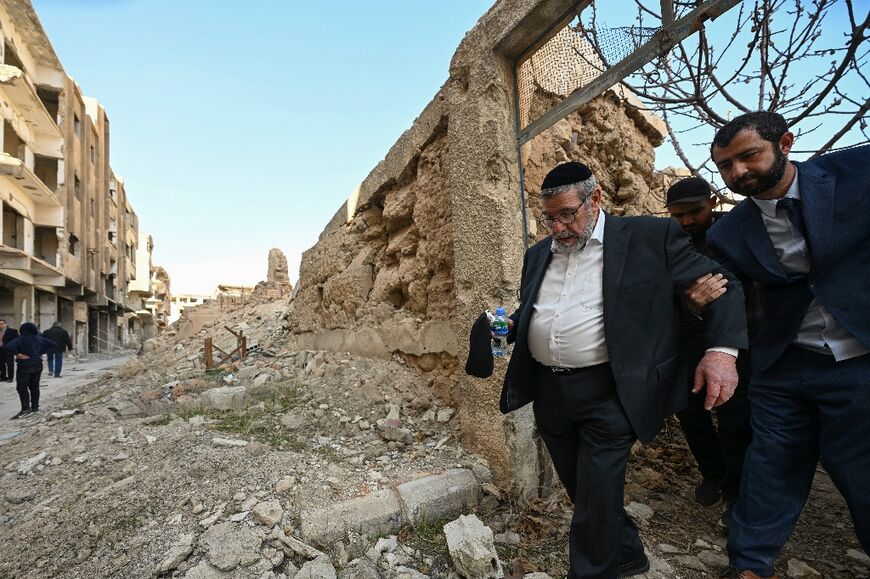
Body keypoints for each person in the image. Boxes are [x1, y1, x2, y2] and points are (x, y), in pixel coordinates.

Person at [498, 161, 747, 578]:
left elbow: (724, 285)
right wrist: (500, 327)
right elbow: (537, 312)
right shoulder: (538, 254)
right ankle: (628, 552)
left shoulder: (650, 237)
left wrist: (721, 352)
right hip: (550, 393)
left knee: (593, 507)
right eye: (549, 218)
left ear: (594, 200)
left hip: (611, 391)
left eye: (566, 214)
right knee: (586, 490)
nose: (557, 227)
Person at [705, 111, 869, 578]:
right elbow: (726, 289)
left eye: (748, 156)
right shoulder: (726, 232)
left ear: (786, 143)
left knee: (860, 471)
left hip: (860, 359)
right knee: (769, 466)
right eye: (725, 166)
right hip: (785, 364)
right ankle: (749, 565)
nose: (737, 173)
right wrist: (717, 333)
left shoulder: (856, 172)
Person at [666, 177, 753, 521]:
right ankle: (714, 474)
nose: (687, 221)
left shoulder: (733, 236)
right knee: (690, 411)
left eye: (695, 212)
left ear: (713, 202)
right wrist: (689, 306)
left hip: (734, 342)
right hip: (686, 339)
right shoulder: (668, 242)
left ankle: (737, 491)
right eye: (678, 215)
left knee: (734, 416)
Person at [5, 322, 56, 420]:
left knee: (22, 387)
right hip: (37, 365)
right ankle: (35, 407)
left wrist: (18, 354)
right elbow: (53, 344)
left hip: (24, 366)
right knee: (34, 386)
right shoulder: (39, 338)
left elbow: (8, 346)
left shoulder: (20, 339)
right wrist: (40, 352)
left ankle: (25, 409)